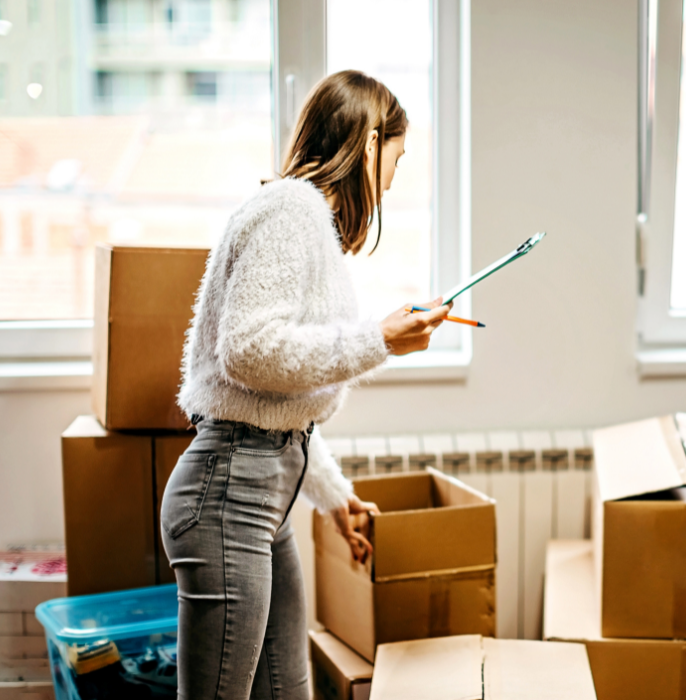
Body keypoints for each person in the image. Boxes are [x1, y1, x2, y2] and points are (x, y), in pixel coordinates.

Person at [160, 70, 450, 700]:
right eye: (396, 156)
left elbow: (276, 414)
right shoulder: (291, 211)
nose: (396, 177)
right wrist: (380, 340)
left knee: (288, 687)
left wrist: (336, 498)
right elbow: (250, 352)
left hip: (259, 498)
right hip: (228, 497)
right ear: (369, 142)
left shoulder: (303, 219)